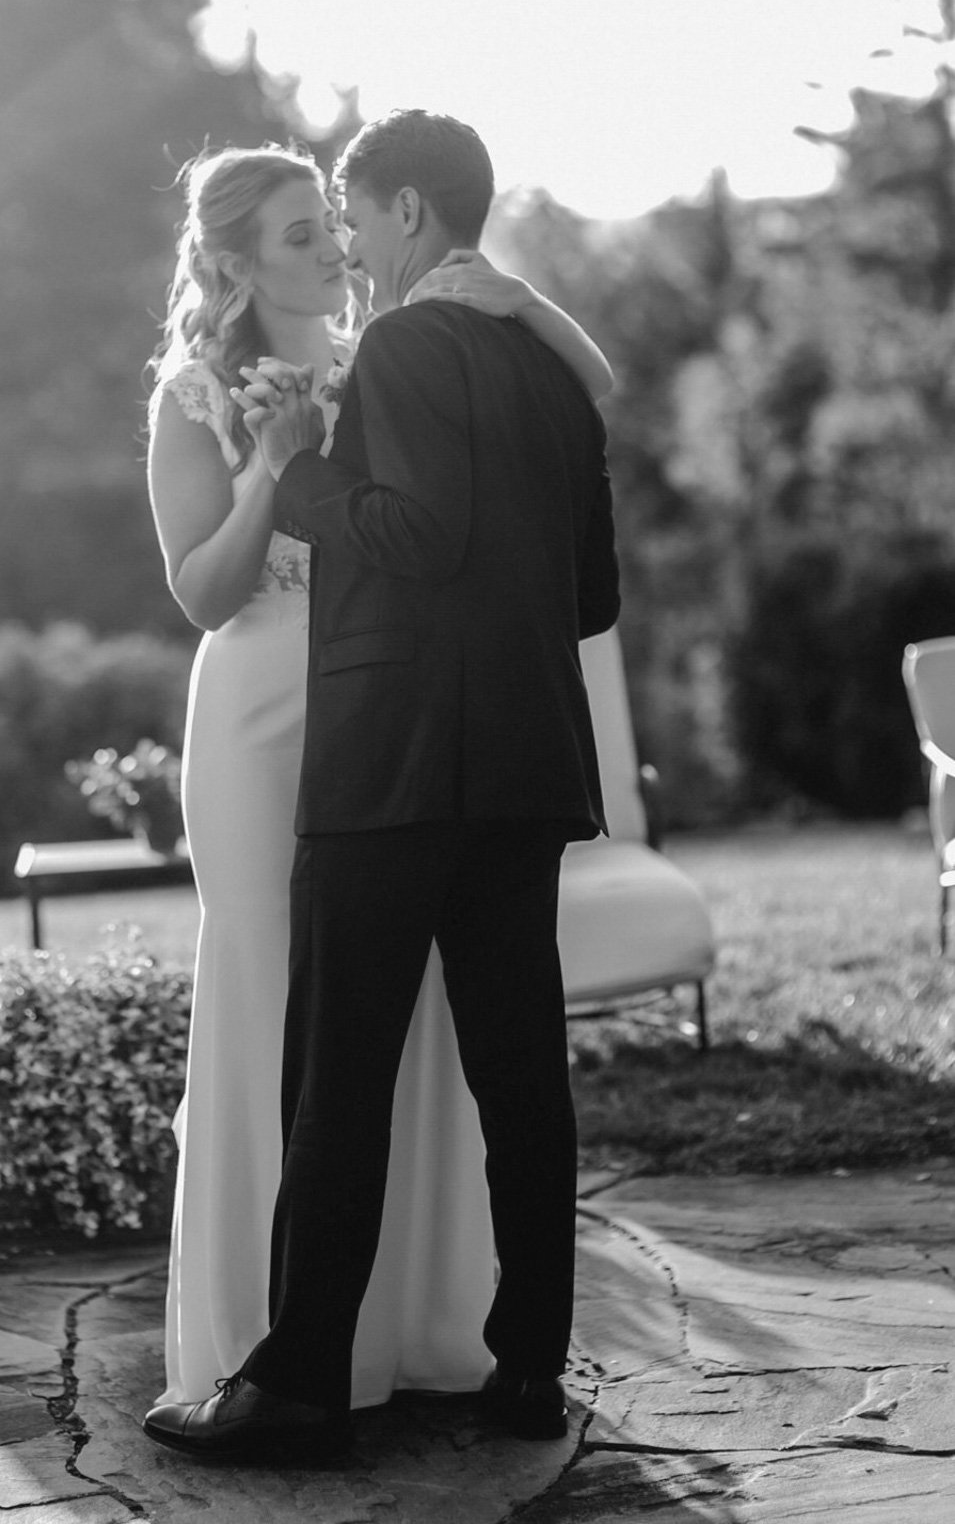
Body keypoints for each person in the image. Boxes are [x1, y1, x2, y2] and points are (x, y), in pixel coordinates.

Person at [142, 111, 620, 1468]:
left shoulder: (402, 346)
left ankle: (297, 1378)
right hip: (524, 764)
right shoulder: (543, 368)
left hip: (392, 753)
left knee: (338, 1071)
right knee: (521, 1074)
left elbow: (417, 534)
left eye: (349, 214)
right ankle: (525, 1362)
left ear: (405, 212)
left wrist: (302, 479)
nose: (344, 241)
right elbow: (594, 594)